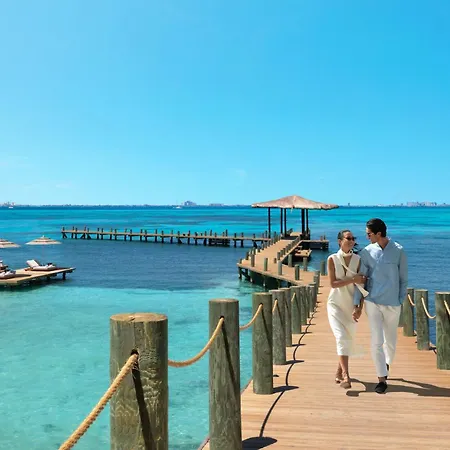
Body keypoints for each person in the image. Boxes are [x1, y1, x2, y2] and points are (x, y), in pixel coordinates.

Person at [353, 218, 408, 394]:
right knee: (377, 341)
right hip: (373, 302)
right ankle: (381, 378)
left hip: (393, 303)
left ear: (379, 233)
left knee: (390, 342)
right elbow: (361, 279)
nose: (366, 237)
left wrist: (400, 299)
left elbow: (403, 278)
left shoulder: (398, 250)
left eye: (369, 234)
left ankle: (386, 364)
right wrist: (357, 303)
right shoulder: (367, 252)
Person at [327, 229, 367, 389]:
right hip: (335, 304)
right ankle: (346, 376)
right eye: (348, 238)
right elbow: (333, 284)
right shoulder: (332, 259)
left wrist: (359, 307)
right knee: (341, 337)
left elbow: (361, 286)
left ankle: (338, 371)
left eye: (353, 238)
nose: (351, 241)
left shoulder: (358, 259)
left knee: (347, 339)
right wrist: (352, 279)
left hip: (350, 305)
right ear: (339, 241)